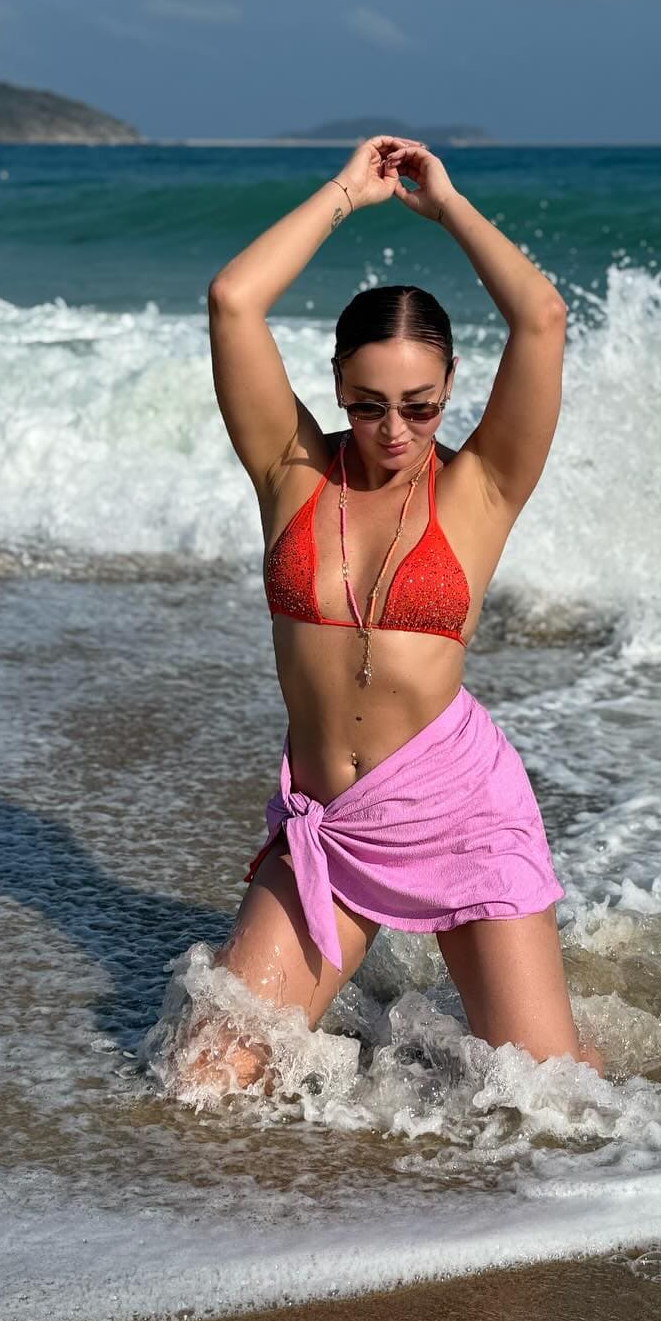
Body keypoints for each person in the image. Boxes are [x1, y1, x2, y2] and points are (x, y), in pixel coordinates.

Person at [202, 133, 599, 1079]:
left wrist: (447, 205)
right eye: (368, 404)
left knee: (548, 1097)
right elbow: (233, 299)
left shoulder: (481, 487)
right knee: (204, 1082)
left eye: (420, 406)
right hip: (331, 825)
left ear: (451, 386)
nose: (394, 431)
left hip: (458, 807)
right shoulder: (292, 471)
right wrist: (346, 193)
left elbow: (542, 318)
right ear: (337, 385)